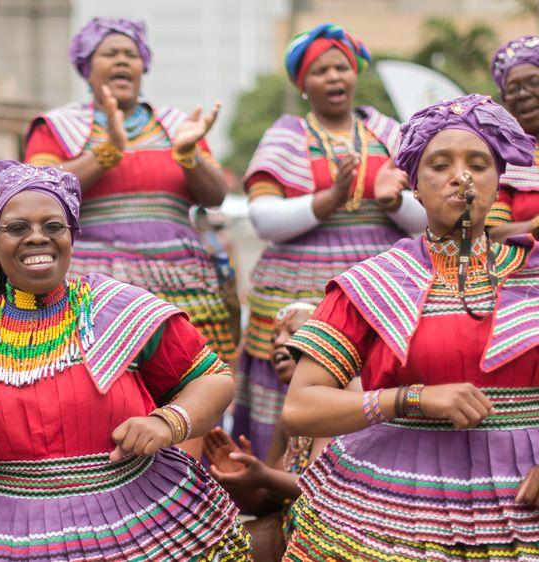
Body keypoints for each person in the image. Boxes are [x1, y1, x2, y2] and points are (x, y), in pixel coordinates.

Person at [0, 160, 252, 561]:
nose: (38, 238)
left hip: (134, 521)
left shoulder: (121, 310)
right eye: (18, 228)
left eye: (53, 227)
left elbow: (212, 378)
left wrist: (167, 422)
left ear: (71, 237)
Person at [281, 93, 539, 560]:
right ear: (415, 186)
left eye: (478, 164)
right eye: (440, 164)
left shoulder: (532, 271)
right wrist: (413, 398)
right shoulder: (372, 282)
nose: (461, 177)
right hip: (398, 500)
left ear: (498, 182)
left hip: (526, 493)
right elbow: (301, 407)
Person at [235, 23, 427, 459]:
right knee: (296, 378)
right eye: (321, 70)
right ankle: (280, 490)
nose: (334, 77)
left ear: (356, 73)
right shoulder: (287, 135)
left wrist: (393, 199)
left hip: (383, 284)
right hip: (297, 286)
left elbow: (426, 216)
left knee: (379, 376)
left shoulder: (389, 132)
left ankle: (374, 481)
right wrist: (329, 199)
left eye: (341, 67)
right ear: (303, 83)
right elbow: (263, 218)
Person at [23, 18, 236, 375]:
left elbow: (215, 196)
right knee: (101, 383)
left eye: (131, 54)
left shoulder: (176, 125)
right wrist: (110, 151)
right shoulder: (57, 127)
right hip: (94, 286)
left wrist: (187, 153)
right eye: (110, 54)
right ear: (87, 68)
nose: (122, 61)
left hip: (178, 283)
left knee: (183, 382)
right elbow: (37, 192)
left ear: (143, 67)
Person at [205, 302, 337, 561]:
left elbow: (319, 489)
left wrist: (263, 475)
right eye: (275, 336)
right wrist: (242, 478)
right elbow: (266, 503)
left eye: (291, 331)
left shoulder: (340, 397)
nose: (279, 342)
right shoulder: (288, 417)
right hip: (290, 531)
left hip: (332, 541)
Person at [488, 35, 539, 241]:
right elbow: (491, 234)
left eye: (534, 82)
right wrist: (535, 226)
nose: (523, 94)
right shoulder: (504, 159)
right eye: (513, 89)